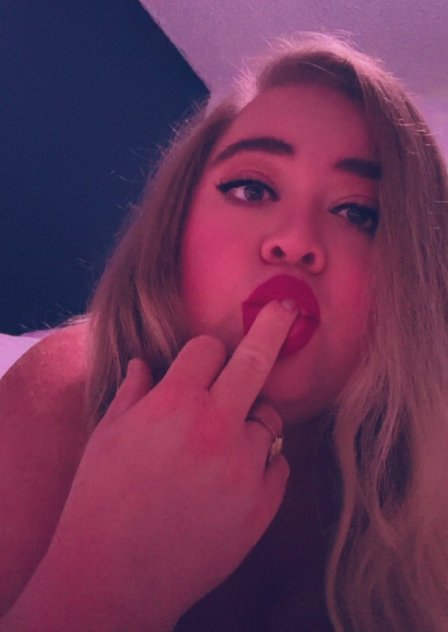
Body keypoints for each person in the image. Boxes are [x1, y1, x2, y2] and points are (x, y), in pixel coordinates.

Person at [1, 32, 448, 631]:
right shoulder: (69, 392)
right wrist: (109, 579)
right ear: (174, 232)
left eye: (357, 212)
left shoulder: (427, 491)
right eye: (252, 189)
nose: (295, 241)